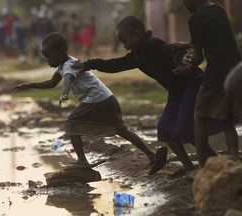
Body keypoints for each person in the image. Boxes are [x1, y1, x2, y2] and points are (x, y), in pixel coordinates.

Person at [71, 15, 219, 177]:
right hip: (176, 92)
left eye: (125, 41)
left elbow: (172, 50)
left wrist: (181, 58)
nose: (124, 46)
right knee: (165, 129)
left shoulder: (155, 45)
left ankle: (213, 162)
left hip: (190, 86)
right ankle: (189, 166)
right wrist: (88, 64)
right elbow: (114, 64)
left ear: (137, 34)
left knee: (188, 129)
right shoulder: (137, 56)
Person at [12, 32, 168, 175]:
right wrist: (29, 85)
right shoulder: (62, 64)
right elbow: (52, 83)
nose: (47, 61)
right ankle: (151, 155)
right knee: (121, 130)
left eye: (49, 57)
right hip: (107, 99)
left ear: (61, 51)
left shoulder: (70, 65)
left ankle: (82, 161)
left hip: (97, 100)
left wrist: (65, 93)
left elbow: (67, 78)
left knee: (71, 123)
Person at [181, 0, 242, 167]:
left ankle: (202, 166)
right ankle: (234, 163)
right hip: (235, 69)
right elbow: (218, 39)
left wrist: (185, 67)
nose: (183, 4)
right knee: (226, 119)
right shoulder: (218, 9)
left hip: (216, 72)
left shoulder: (195, 18)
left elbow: (198, 58)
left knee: (200, 116)